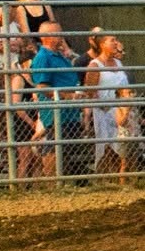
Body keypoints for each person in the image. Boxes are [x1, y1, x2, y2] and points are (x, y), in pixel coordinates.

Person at [30, 22, 86, 182]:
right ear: (47, 37)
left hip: (69, 113)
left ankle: (68, 181)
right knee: (55, 149)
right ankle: (54, 182)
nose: (61, 37)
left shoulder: (60, 56)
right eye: (57, 34)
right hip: (57, 113)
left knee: (68, 150)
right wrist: (68, 96)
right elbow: (43, 87)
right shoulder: (43, 57)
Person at [83, 33, 128, 178]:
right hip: (104, 111)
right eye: (112, 40)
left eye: (116, 40)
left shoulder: (118, 63)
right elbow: (90, 91)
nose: (116, 43)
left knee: (124, 148)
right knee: (105, 147)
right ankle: (103, 177)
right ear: (102, 44)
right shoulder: (95, 65)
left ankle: (123, 179)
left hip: (121, 111)